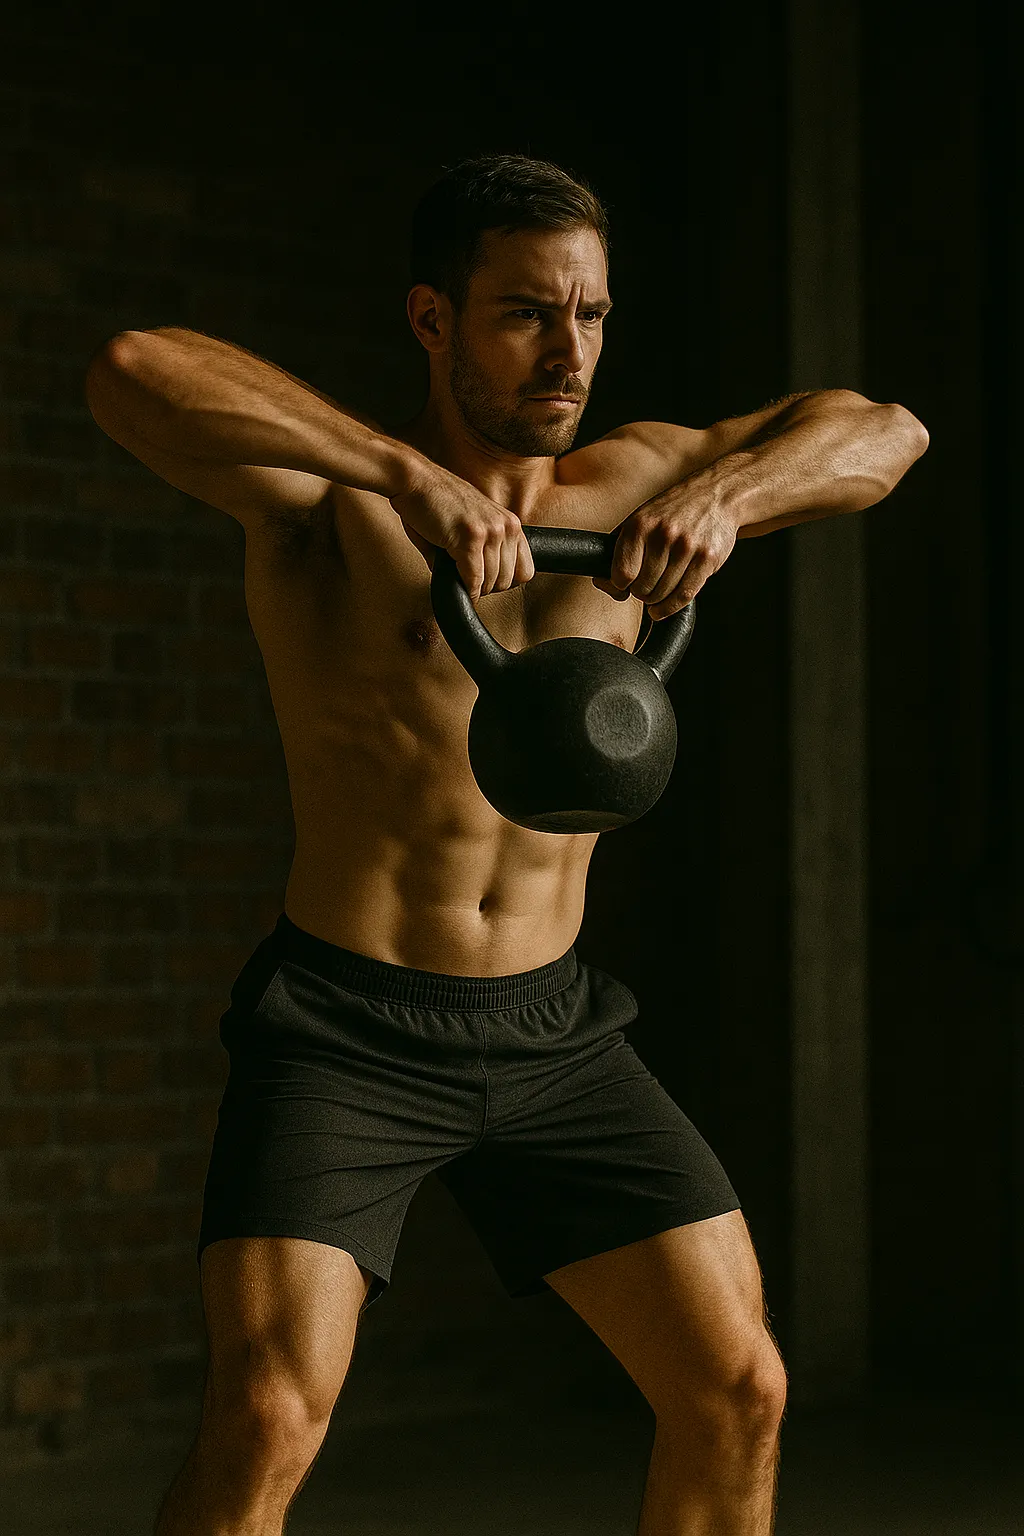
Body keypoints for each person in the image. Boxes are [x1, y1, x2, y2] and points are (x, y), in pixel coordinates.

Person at [85, 153, 927, 1536]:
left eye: (591, 315)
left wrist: (731, 503)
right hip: (349, 1028)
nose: (569, 352)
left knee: (737, 1391)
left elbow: (884, 432)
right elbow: (132, 368)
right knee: (270, 1414)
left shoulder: (644, 474)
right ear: (435, 320)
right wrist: (398, 472)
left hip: (555, 1031)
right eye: (528, 313)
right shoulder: (333, 507)